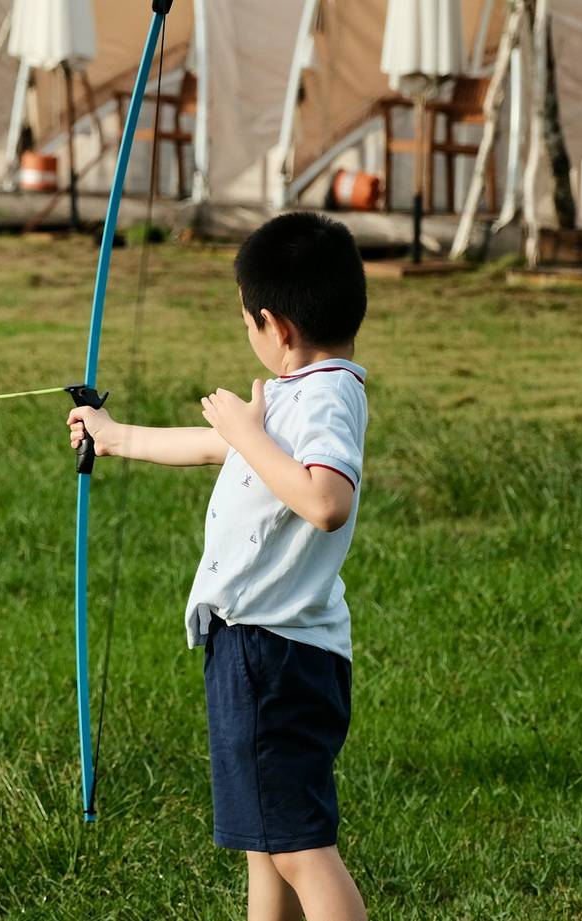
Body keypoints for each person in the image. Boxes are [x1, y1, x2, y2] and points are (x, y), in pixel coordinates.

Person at [68, 212, 371, 921]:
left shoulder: (328, 396)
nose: (247, 331)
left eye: (246, 320)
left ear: (277, 327)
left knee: (300, 849)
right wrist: (115, 437)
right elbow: (220, 447)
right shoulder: (303, 389)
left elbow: (326, 501)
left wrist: (245, 431)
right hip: (264, 647)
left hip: (275, 652)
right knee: (267, 846)